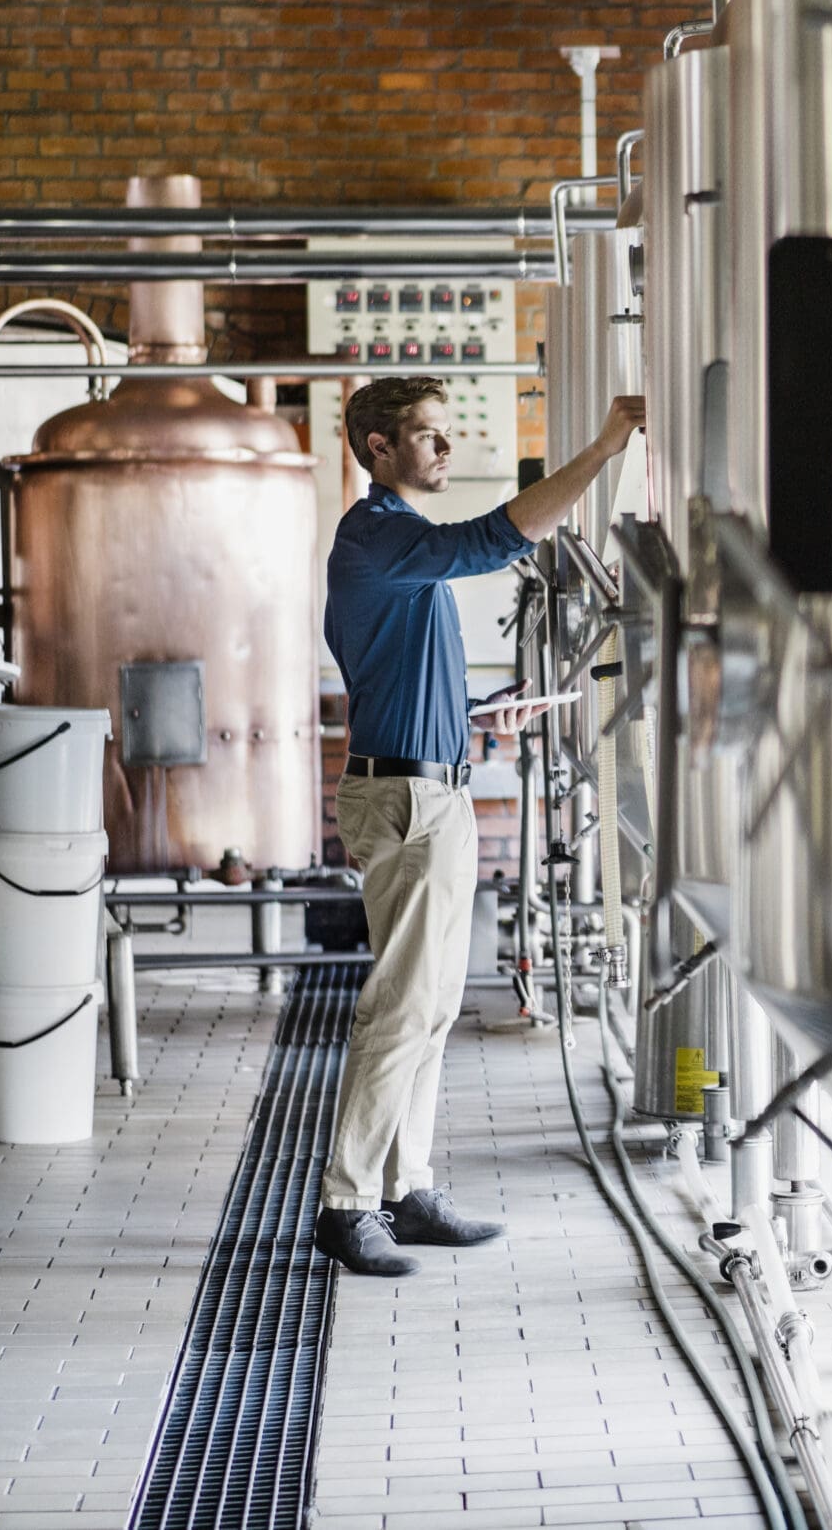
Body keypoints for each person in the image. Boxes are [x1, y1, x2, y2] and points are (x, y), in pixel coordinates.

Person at [313, 373, 645, 1277]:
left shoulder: (402, 547)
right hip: (407, 800)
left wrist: (481, 710)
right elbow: (499, 536)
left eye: (446, 433)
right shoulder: (377, 532)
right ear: (378, 448)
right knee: (403, 1005)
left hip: (436, 784)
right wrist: (603, 449)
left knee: (435, 1006)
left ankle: (405, 1186)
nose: (445, 448)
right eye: (428, 434)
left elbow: (407, 679)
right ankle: (348, 1202)